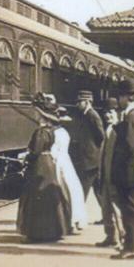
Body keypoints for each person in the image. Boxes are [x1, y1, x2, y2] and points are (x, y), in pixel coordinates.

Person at [16, 103, 70, 243]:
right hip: (49, 164)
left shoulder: (40, 132)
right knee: (49, 197)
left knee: (36, 197)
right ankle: (54, 231)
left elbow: (36, 151)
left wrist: (26, 157)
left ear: (43, 118)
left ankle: (37, 234)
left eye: (40, 115)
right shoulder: (51, 131)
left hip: (40, 164)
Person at [110, 79, 134, 260]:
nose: (118, 100)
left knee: (130, 209)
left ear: (128, 97)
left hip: (129, 170)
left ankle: (131, 247)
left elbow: (130, 145)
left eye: (120, 97)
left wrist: (117, 128)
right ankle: (133, 246)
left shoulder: (132, 117)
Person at [45, 94, 87, 233]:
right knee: (72, 190)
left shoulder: (54, 133)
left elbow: (52, 151)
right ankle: (73, 222)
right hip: (66, 162)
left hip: (57, 163)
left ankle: (63, 223)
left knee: (60, 192)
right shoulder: (63, 132)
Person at [69, 90, 105, 202]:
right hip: (90, 160)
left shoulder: (92, 115)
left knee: (81, 191)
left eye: (80, 102)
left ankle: (77, 217)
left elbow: (101, 135)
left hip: (90, 161)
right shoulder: (85, 115)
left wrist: (92, 150)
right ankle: (109, 217)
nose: (77, 104)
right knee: (98, 191)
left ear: (87, 102)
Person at [95, 108, 123, 247]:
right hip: (105, 173)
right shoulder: (108, 129)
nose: (107, 115)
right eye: (106, 113)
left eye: (111, 112)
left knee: (116, 208)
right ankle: (110, 236)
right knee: (106, 207)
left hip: (114, 175)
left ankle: (123, 238)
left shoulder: (119, 131)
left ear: (117, 114)